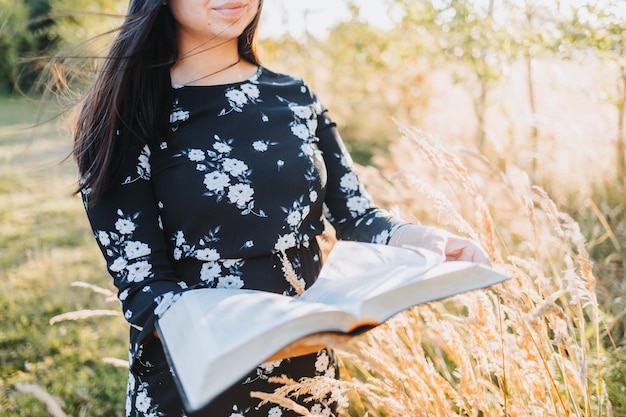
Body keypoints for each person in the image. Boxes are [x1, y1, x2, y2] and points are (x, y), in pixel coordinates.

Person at [73, 0, 490, 415]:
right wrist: (249, 328)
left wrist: (421, 239)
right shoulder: (124, 113)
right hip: (196, 380)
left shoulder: (294, 97)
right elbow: (144, 285)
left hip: (306, 376)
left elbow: (356, 216)